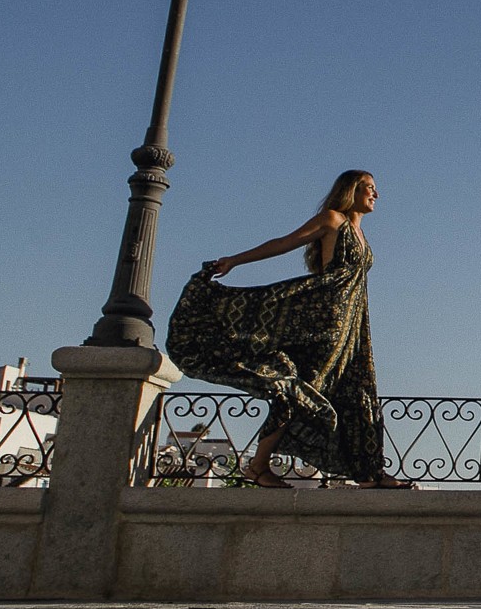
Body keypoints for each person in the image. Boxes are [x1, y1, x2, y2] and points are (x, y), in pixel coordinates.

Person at [166, 170, 412, 489]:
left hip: (354, 328)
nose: (375, 194)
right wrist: (235, 261)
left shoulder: (360, 233)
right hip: (325, 321)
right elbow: (284, 243)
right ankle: (258, 465)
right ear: (351, 190)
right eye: (369, 188)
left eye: (376, 189)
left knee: (356, 391)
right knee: (302, 390)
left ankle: (369, 473)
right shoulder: (332, 219)